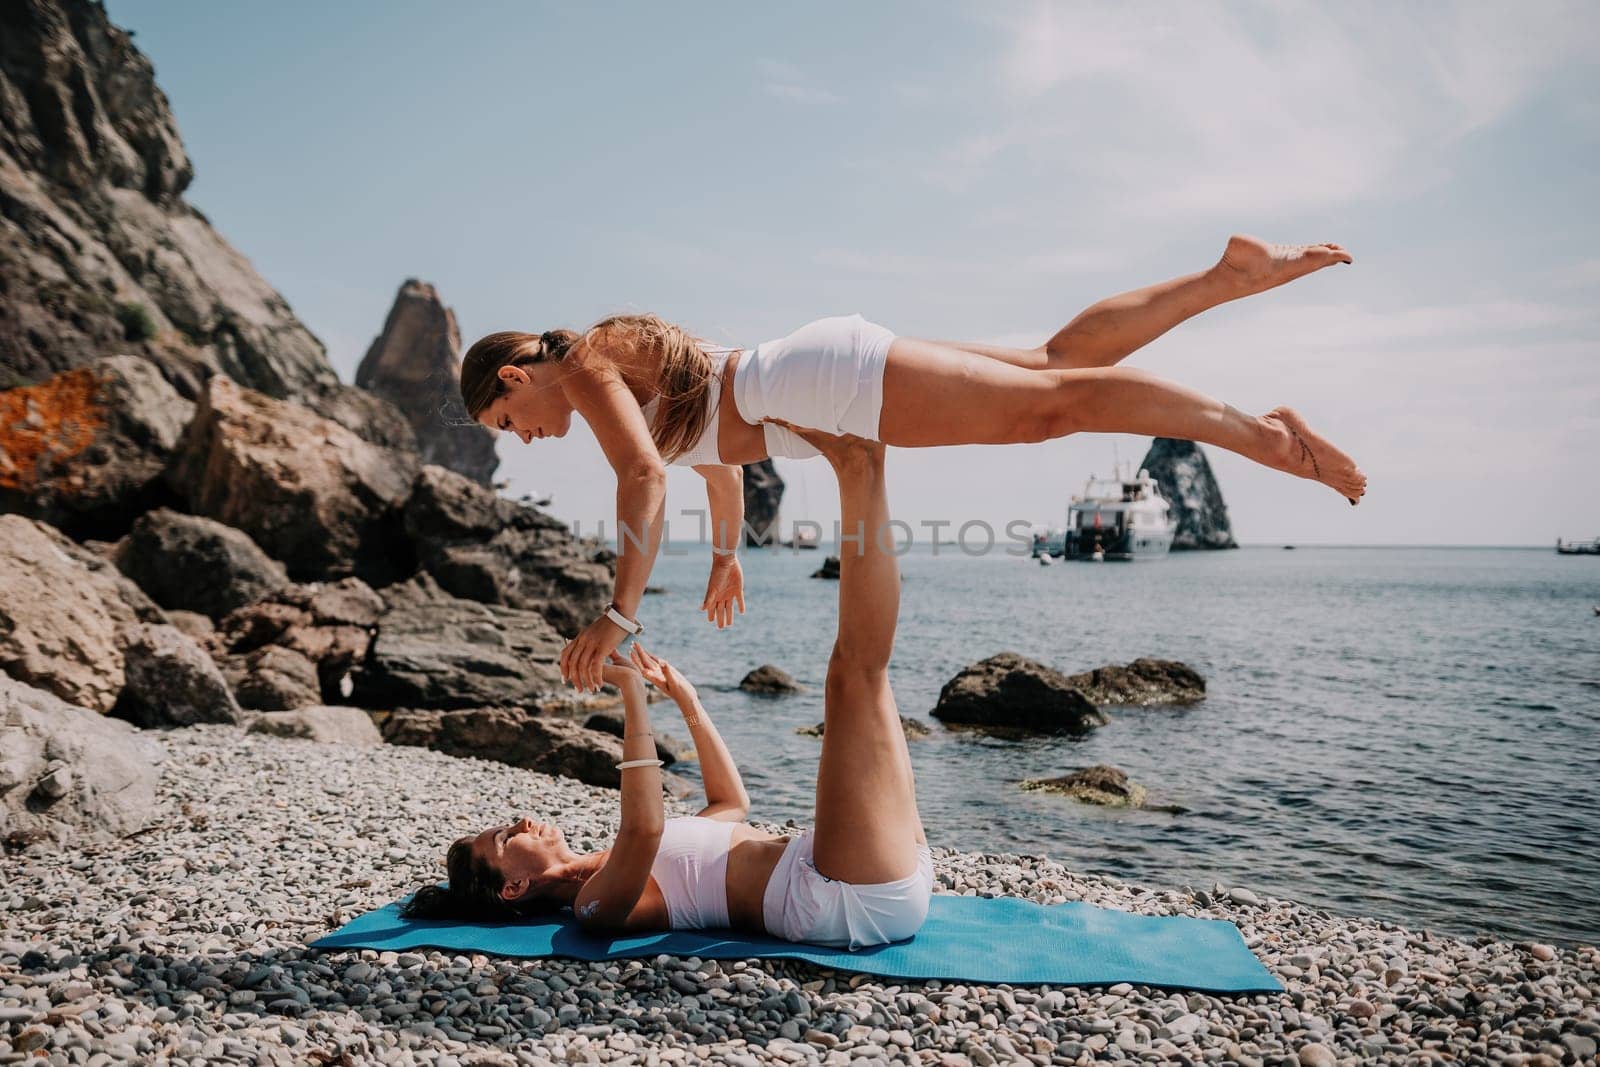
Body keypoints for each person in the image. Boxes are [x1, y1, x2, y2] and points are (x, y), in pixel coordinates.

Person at [461, 235, 1367, 692]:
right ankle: (1226, 275)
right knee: (1051, 369)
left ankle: (1263, 435)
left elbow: (643, 479)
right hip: (811, 377)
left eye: (509, 420)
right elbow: (711, 464)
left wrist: (618, 614)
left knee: (1051, 412)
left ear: (514, 376)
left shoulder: (583, 366)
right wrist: (727, 555)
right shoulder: (612, 364)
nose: (526, 436)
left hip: (822, 383)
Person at [402, 430, 934, 950]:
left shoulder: (614, 860)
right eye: (503, 838)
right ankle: (858, 459)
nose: (519, 822)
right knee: (853, 675)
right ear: (512, 887)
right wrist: (632, 698)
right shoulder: (594, 904)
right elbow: (644, 830)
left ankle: (864, 455)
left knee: (870, 682)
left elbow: (731, 803)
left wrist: (687, 700)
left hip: (870, 868)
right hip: (841, 896)